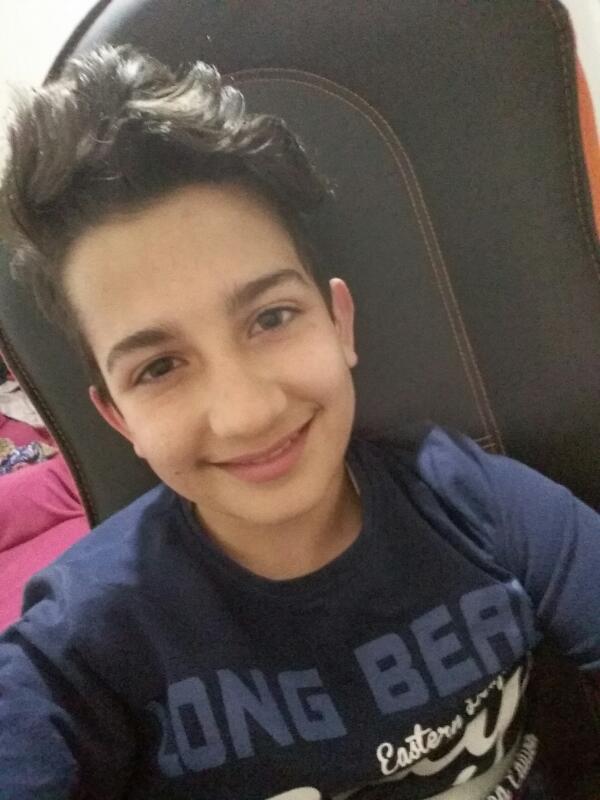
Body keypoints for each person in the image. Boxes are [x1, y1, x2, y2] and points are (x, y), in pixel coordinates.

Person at [0, 44, 598, 800]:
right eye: (159, 367)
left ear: (339, 322)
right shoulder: (85, 643)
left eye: (272, 318)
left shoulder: (472, 498)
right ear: (119, 419)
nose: (247, 413)